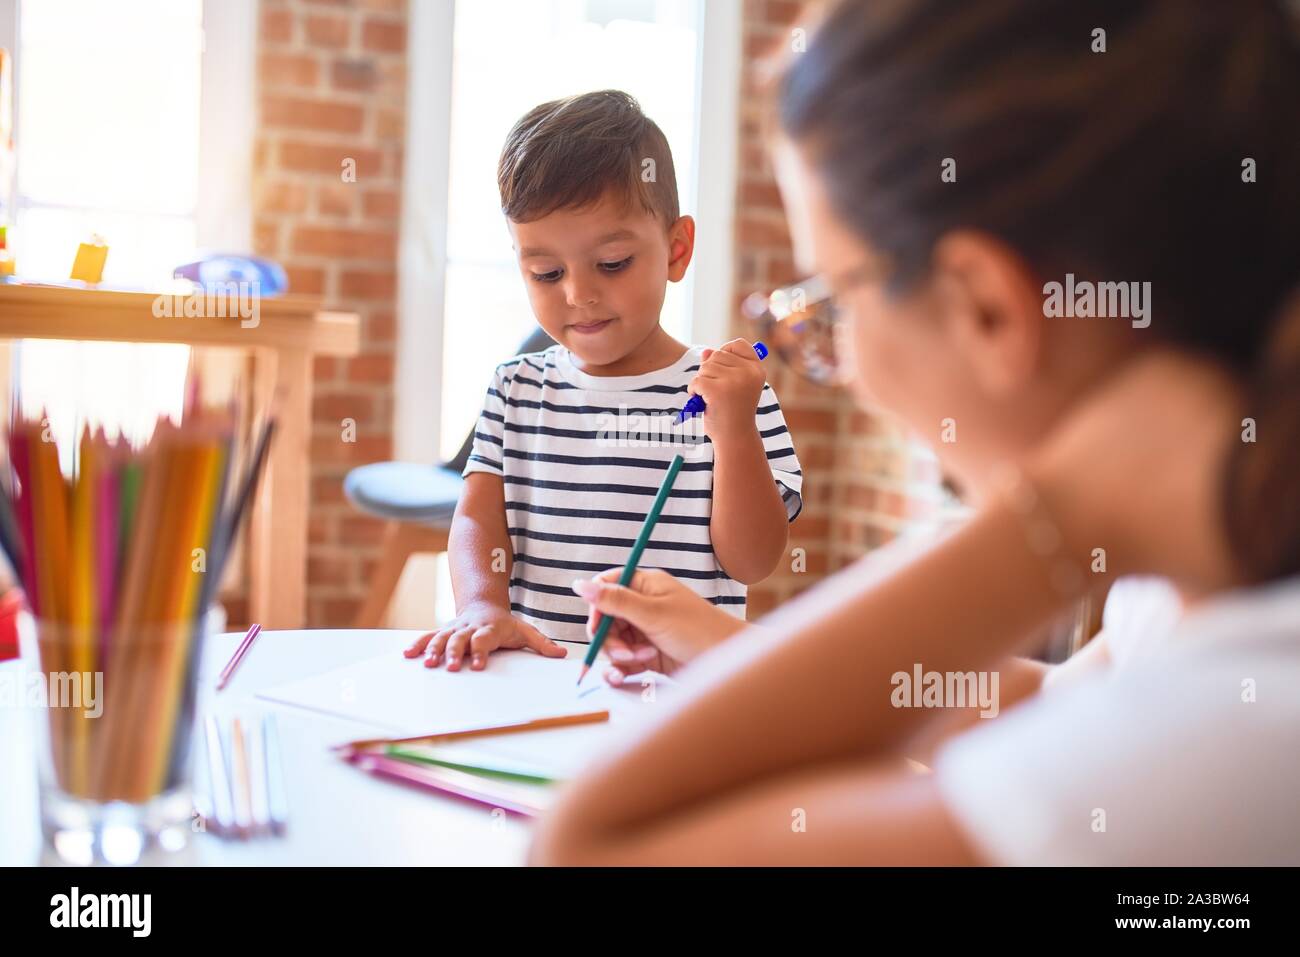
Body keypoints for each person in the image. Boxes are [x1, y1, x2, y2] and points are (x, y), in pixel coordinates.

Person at [532, 0, 1300, 865]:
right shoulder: (1204, 601)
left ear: (987, 308)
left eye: (837, 300)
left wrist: (1058, 517)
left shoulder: (1237, 741)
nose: (847, 364)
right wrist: (726, 647)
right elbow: (1043, 707)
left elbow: (589, 845)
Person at [405, 90, 803, 671]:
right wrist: (482, 605)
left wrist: (734, 432)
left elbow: (752, 561)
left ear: (676, 248)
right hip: (536, 677)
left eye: (612, 263)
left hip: (676, 692)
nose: (578, 294)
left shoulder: (732, 392)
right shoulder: (516, 389)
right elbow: (475, 518)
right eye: (546, 272)